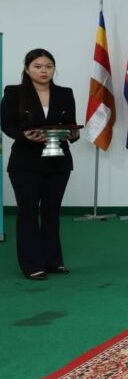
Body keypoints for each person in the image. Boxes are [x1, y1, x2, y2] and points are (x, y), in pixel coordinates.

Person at [1, 49, 80, 281]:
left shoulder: (65, 93)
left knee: (52, 212)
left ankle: (53, 262)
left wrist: (73, 134)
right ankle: (31, 264)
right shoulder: (14, 93)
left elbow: (71, 124)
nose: (44, 71)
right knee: (28, 212)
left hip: (58, 162)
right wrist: (24, 135)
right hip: (25, 162)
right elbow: (6, 125)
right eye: (37, 66)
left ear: (54, 69)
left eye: (48, 66)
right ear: (27, 69)